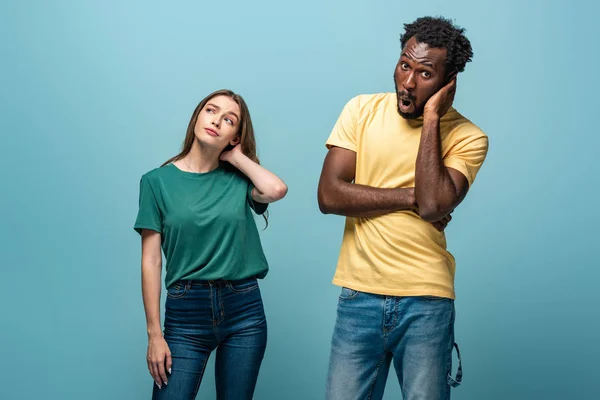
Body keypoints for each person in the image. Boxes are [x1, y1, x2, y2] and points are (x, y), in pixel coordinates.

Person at [317, 16, 489, 400]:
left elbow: (433, 207)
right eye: (404, 65)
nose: (408, 82)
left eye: (425, 73)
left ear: (449, 82)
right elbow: (329, 195)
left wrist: (431, 119)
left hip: (426, 301)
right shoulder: (360, 110)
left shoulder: (469, 137)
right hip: (359, 295)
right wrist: (410, 196)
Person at [134, 89, 287, 400]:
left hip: (243, 309)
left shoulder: (238, 179)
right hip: (185, 313)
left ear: (234, 136)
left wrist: (237, 157)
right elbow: (151, 261)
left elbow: (275, 189)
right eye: (210, 111)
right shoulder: (155, 182)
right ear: (197, 116)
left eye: (228, 120)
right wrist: (154, 334)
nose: (216, 121)